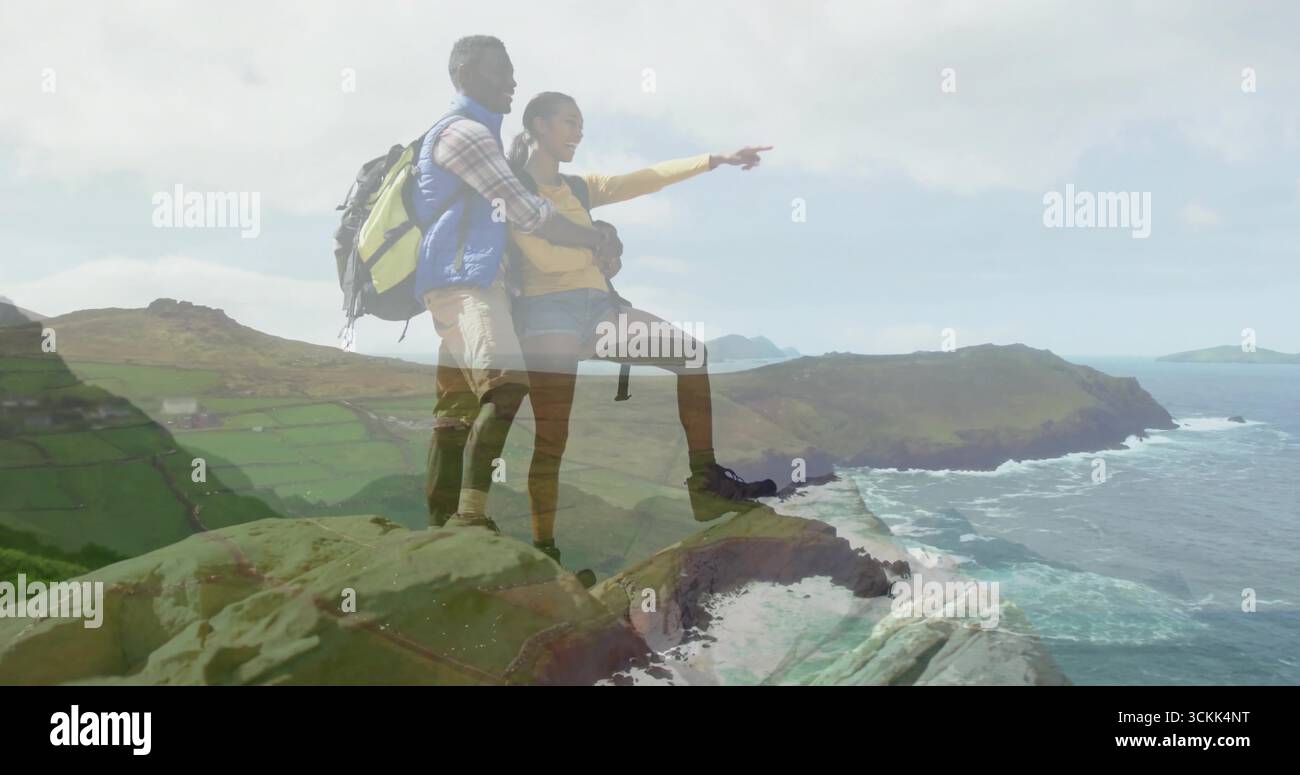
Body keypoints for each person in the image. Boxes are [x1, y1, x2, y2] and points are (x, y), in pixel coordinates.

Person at [504, 90, 777, 564]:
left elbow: (645, 180)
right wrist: (599, 246)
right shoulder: (512, 191)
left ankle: (704, 487)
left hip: (601, 309)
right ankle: (545, 551)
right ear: (538, 126)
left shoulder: (579, 187)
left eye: (581, 123)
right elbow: (542, 260)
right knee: (554, 436)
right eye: (570, 122)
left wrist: (717, 159)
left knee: (691, 354)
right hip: (547, 312)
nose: (579, 132)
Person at [416, 38, 622, 534]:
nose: (512, 82)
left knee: (454, 412)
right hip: (465, 285)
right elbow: (529, 215)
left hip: (474, 285)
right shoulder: (466, 134)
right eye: (500, 71)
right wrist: (593, 236)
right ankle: (468, 517)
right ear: (465, 74)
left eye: (512, 71)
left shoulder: (483, 136)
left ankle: (440, 529)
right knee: (506, 385)